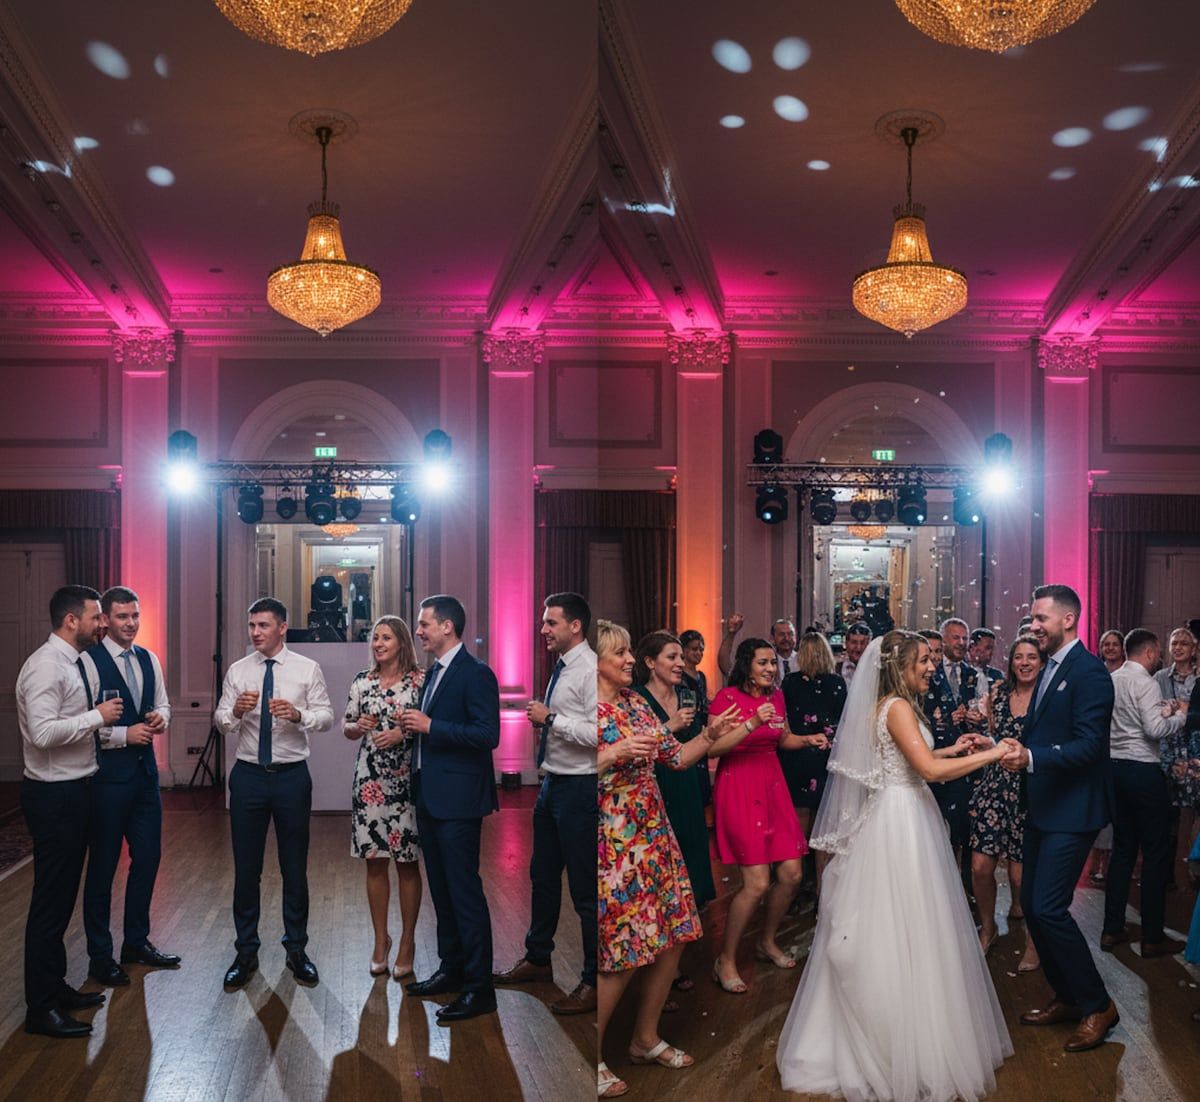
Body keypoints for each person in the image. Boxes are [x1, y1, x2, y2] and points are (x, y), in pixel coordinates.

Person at [777, 631, 1013, 1099]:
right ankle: (903, 1046)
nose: (931, 667)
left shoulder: (889, 706)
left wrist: (954, 748)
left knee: (908, 928)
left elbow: (910, 762)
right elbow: (926, 772)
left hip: (903, 815)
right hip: (899, 825)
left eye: (931, 659)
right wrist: (992, 752)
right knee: (907, 928)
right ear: (899, 666)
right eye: (924, 660)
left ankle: (911, 1037)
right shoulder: (898, 708)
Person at [596, 620, 737, 1099]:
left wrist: (710, 735)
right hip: (613, 839)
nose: (629, 661)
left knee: (673, 932)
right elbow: (560, 767)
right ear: (595, 661)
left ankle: (645, 1038)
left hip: (654, 833)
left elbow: (675, 757)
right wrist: (613, 753)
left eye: (629, 654)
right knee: (621, 950)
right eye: (620, 654)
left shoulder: (635, 703)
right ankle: (590, 1055)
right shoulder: (578, 709)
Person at [999, 584, 1119, 1053]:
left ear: (1068, 620)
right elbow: (1046, 731)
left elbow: (1090, 747)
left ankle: (1098, 1005)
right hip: (1043, 806)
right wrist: (1018, 749)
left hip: (1074, 810)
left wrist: (1031, 757)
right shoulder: (1052, 668)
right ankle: (1067, 996)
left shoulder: (1089, 673)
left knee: (1048, 907)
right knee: (1032, 903)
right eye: (1032, 618)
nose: (1033, 625)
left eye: (1040, 618)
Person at [17, 585, 123, 1038]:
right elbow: (41, 734)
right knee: (49, 904)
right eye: (96, 617)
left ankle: (56, 988)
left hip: (76, 790)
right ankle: (40, 1010)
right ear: (70, 621)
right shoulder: (45, 666)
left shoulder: (73, 662)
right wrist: (97, 718)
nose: (103, 624)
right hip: (54, 797)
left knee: (61, 901)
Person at [215, 598, 333, 990]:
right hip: (248, 777)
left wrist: (299, 716)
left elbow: (326, 717)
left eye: (263, 625)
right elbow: (220, 722)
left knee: (294, 867)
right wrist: (234, 711)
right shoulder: (237, 670)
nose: (255, 633)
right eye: (251, 626)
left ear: (282, 627)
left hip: (291, 778)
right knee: (246, 870)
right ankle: (245, 952)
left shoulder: (306, 669)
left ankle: (296, 950)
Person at [495, 593, 597, 1016]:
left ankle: (593, 980)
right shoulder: (564, 668)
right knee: (542, 877)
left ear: (575, 625)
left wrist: (551, 720)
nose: (543, 630)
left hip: (580, 788)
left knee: (586, 891)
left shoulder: (589, 671)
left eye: (551, 623)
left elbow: (599, 733)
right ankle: (539, 958)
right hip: (553, 784)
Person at [400, 594, 501, 1023]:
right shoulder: (434, 674)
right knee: (441, 892)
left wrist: (430, 726)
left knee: (464, 894)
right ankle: (451, 969)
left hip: (459, 802)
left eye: (424, 624)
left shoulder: (476, 674)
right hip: (430, 795)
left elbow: (487, 734)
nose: (418, 631)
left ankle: (480, 989)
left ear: (447, 626)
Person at [709, 638, 830, 992]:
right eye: (762, 663)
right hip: (739, 786)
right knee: (757, 882)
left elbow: (782, 739)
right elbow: (713, 748)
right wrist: (749, 724)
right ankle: (725, 959)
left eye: (772, 663)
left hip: (773, 785)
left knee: (792, 874)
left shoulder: (775, 697)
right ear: (747, 665)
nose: (769, 669)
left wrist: (809, 739)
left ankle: (766, 940)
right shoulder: (727, 698)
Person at [80, 586, 178, 987]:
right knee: (102, 869)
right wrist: (124, 735)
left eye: (135, 615)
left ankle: (136, 942)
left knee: (149, 859)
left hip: (145, 780)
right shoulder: (87, 663)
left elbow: (165, 703)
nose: (131, 623)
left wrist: (161, 719)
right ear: (104, 620)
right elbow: (81, 725)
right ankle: (100, 957)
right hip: (104, 781)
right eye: (122, 617)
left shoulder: (149, 657)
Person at [343, 615, 424, 980]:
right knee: (374, 861)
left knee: (407, 863)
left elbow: (428, 729)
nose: (377, 644)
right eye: (375, 638)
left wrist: (400, 736)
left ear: (402, 642)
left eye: (385, 638)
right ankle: (381, 941)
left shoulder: (419, 681)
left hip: (406, 780)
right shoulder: (363, 681)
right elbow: (346, 726)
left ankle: (407, 942)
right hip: (370, 780)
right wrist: (356, 727)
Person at [1101, 629, 1186, 956]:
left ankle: (1111, 929)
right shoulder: (1146, 682)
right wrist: (1178, 714)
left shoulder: (1113, 679)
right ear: (1150, 652)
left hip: (1116, 770)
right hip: (1143, 772)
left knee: (1123, 850)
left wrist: (1160, 712)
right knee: (1155, 853)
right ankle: (1152, 936)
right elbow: (1153, 730)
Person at [969, 635, 1043, 972]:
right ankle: (988, 927)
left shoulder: (1046, 698)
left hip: (1029, 792)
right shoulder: (998, 695)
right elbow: (996, 740)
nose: (1025, 662)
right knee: (981, 866)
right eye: (1019, 657)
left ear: (1041, 662)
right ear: (1010, 662)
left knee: (1019, 877)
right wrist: (986, 743)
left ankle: (1033, 941)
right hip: (994, 787)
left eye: (1031, 657)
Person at [631, 631, 715, 911]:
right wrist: (670, 727)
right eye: (672, 657)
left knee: (691, 842)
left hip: (688, 778)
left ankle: (691, 912)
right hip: (654, 783)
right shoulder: (636, 700)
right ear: (650, 662)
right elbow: (634, 748)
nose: (680, 663)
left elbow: (699, 739)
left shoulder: (687, 695)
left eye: (681, 657)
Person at [780, 631, 846, 888]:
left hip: (796, 756)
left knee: (799, 825)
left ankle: (793, 883)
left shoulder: (790, 682)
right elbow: (844, 721)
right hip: (825, 757)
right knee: (825, 828)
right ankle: (822, 888)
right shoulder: (837, 683)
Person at [679, 629, 713, 807]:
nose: (698, 653)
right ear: (683, 651)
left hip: (701, 728)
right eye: (694, 649)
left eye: (701, 649)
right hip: (686, 731)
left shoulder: (701, 676)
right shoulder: (679, 677)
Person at [839, 622, 872, 687]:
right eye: (854, 642)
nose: (858, 648)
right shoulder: (836, 669)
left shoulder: (875, 670)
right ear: (846, 644)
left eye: (863, 643)